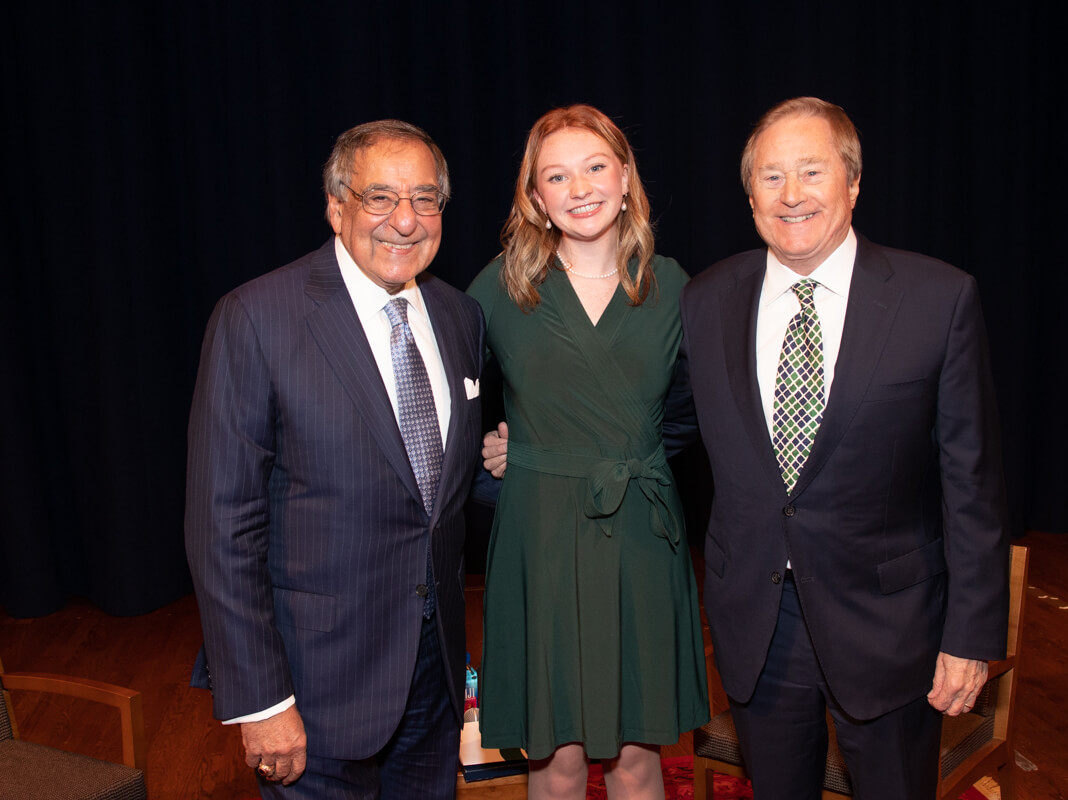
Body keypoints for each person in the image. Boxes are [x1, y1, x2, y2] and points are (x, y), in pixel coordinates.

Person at [676, 97, 1011, 799]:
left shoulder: (938, 299)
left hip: (892, 626)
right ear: (749, 194)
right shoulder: (705, 301)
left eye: (811, 171)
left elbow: (971, 483)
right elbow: (670, 423)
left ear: (853, 184)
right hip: (759, 625)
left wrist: (972, 635)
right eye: (771, 177)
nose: (791, 195)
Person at [185, 119, 485, 799]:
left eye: (426, 199)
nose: (405, 221)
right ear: (336, 205)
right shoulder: (256, 318)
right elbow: (222, 526)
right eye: (379, 198)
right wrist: (262, 702)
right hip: (314, 690)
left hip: (432, 681)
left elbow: (440, 496)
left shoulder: (460, 317)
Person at [467, 104, 708, 800]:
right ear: (535, 199)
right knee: (556, 758)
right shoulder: (500, 289)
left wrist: (620, 449)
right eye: (557, 176)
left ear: (626, 177)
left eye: (596, 166)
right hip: (539, 539)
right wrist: (503, 452)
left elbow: (699, 414)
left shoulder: (673, 287)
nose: (580, 188)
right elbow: (442, 408)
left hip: (642, 535)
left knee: (638, 756)